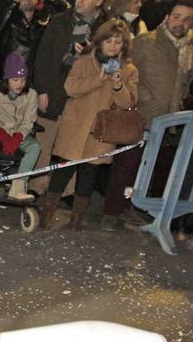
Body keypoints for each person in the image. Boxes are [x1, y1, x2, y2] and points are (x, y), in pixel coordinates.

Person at [41, 19, 139, 230]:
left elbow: (129, 103)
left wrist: (118, 85)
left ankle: (77, 219)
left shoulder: (129, 70)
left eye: (118, 42)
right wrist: (98, 79)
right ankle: (47, 213)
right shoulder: (84, 62)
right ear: (100, 42)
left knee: (88, 176)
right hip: (75, 126)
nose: (113, 46)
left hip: (101, 132)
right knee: (62, 172)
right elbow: (70, 88)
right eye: (109, 41)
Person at [30, 0, 107, 195]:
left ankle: (66, 192)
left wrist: (90, 51)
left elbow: (114, 60)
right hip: (54, 87)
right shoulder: (61, 20)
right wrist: (42, 89)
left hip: (84, 94)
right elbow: (43, 56)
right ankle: (37, 185)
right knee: (45, 140)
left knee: (74, 143)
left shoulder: (105, 28)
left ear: (99, 1)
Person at [0, 53, 40, 202]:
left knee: (35, 146)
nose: (20, 84)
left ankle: (18, 186)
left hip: (18, 133)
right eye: (15, 80)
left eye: (23, 80)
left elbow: (29, 121)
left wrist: (18, 137)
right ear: (7, 79)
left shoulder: (31, 95)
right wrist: (1, 134)